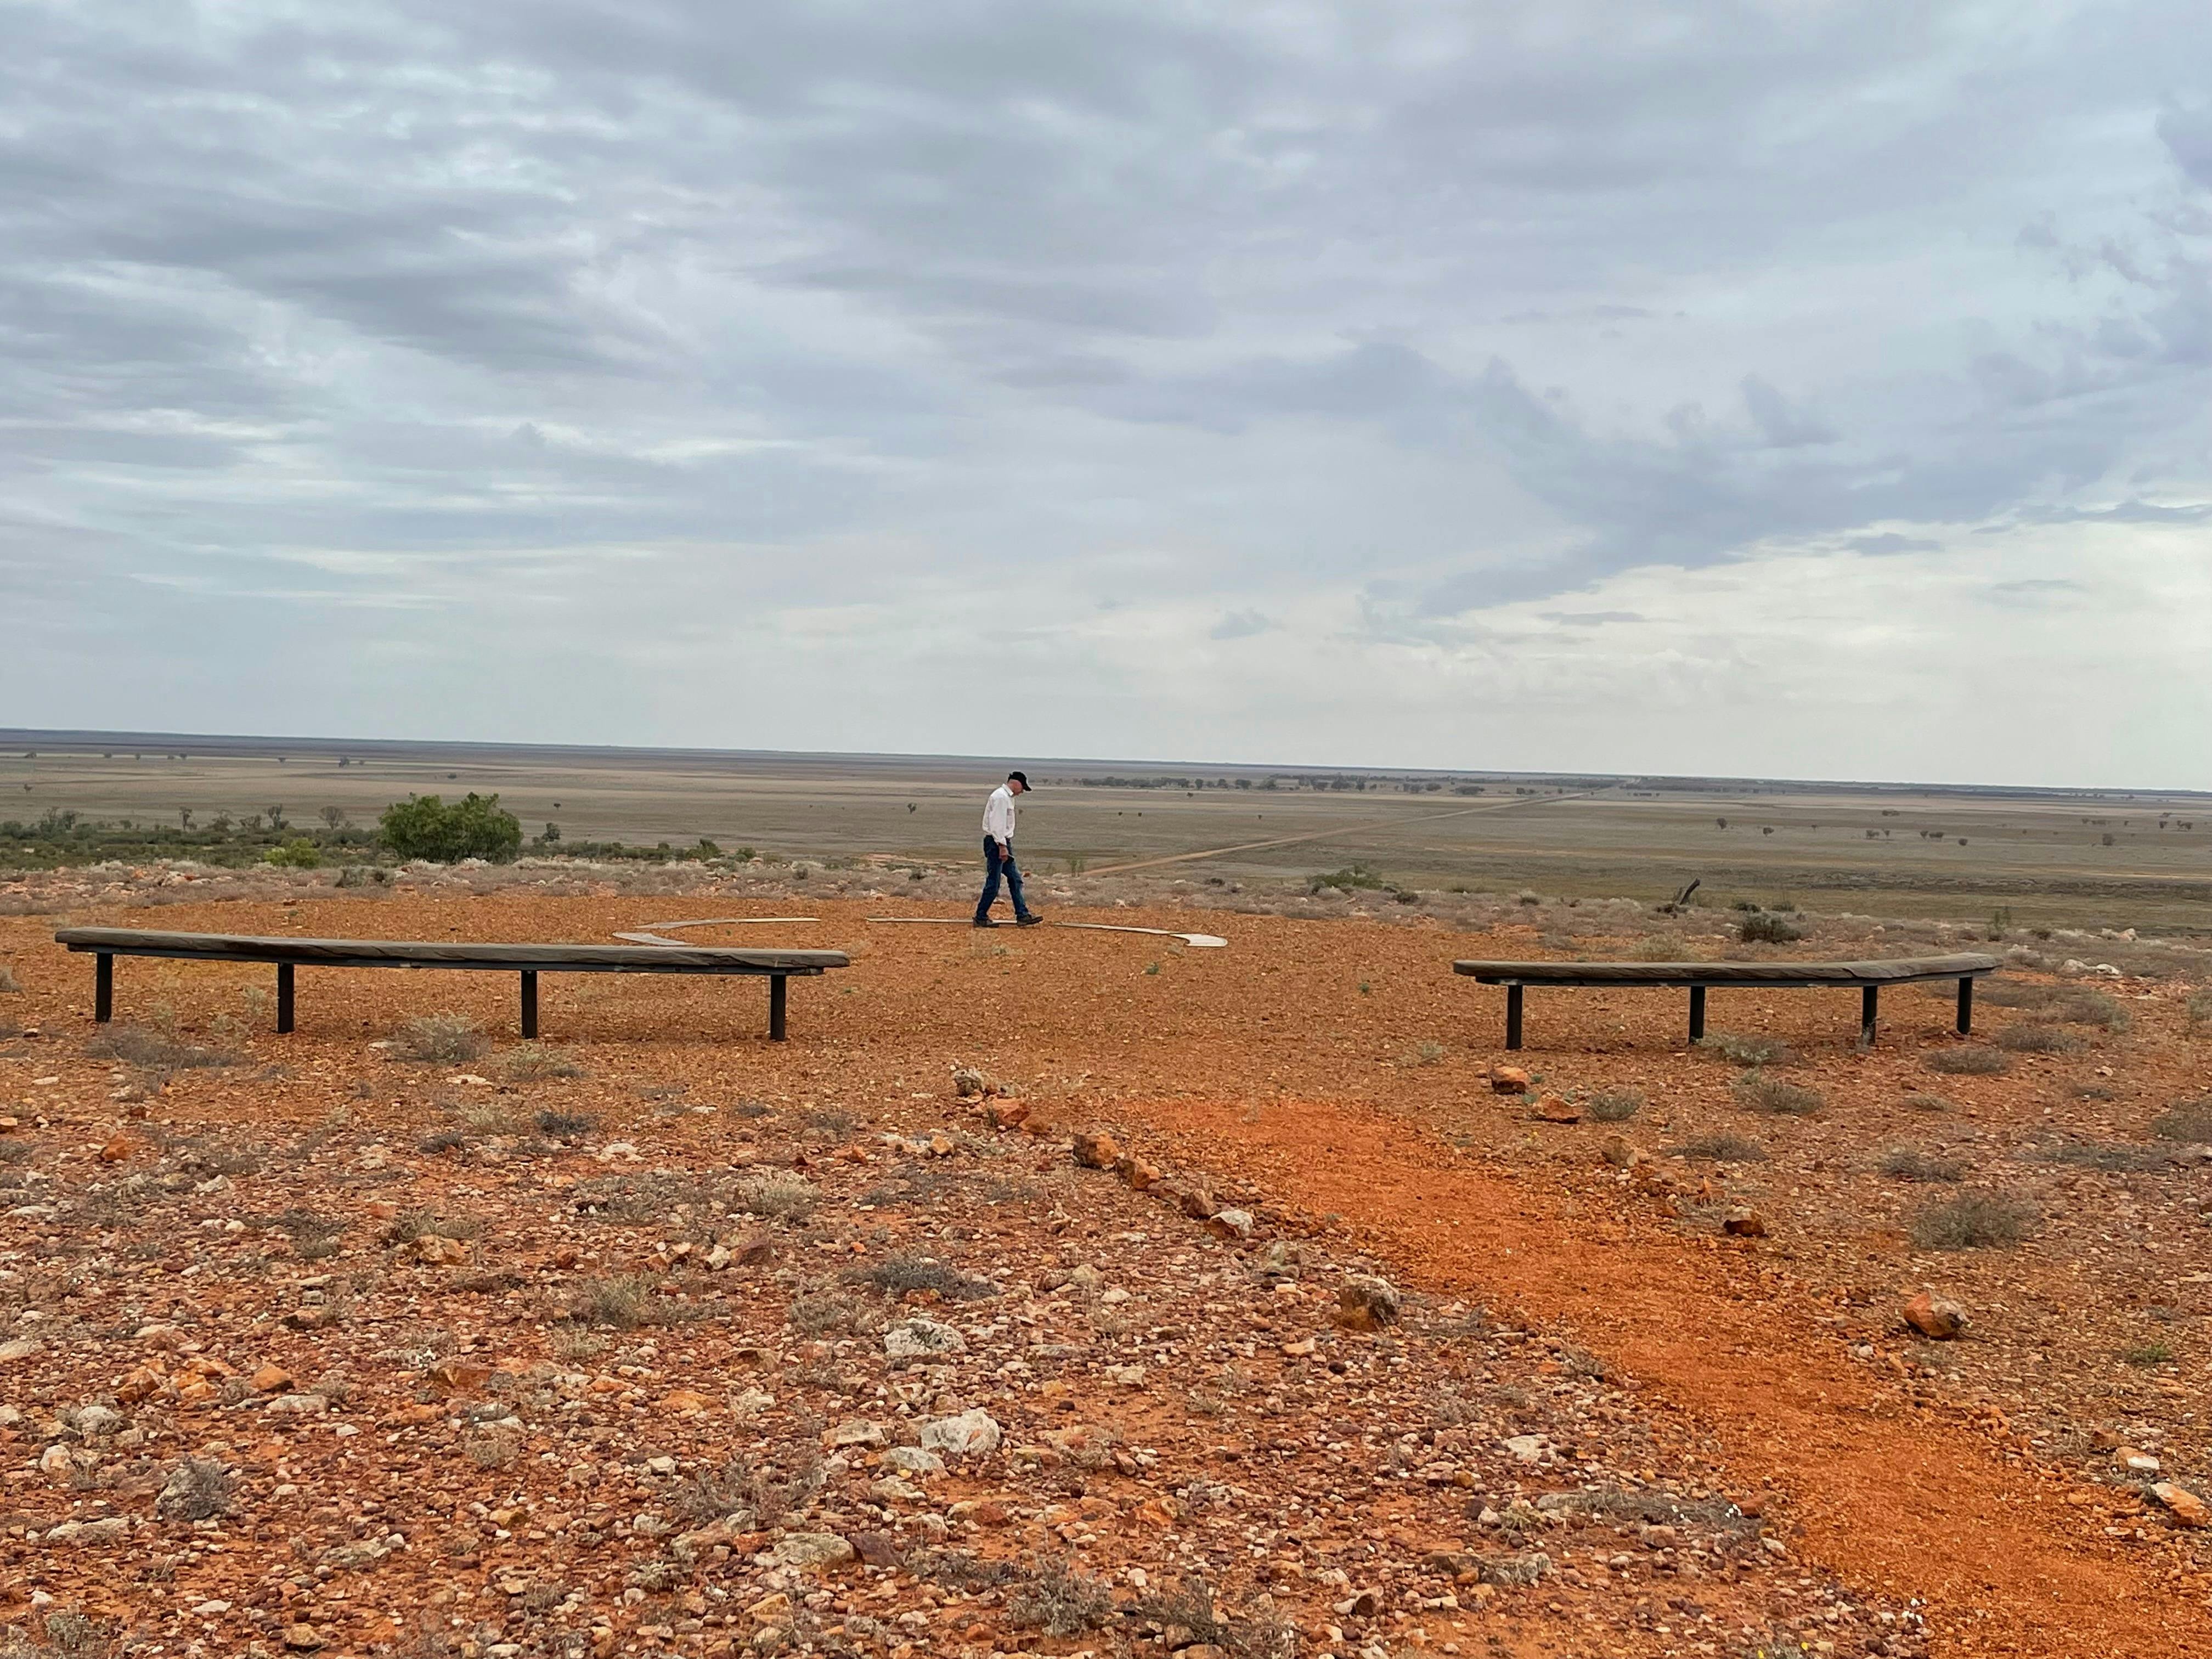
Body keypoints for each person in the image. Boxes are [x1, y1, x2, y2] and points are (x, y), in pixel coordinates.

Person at [974, 771, 1042, 928]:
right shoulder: (1001, 797)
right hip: (997, 843)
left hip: (1001, 842)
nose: (1022, 791)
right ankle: (980, 916)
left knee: (1015, 879)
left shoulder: (1006, 798)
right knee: (994, 882)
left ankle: (1022, 915)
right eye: (1023, 787)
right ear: (1016, 783)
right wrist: (1002, 847)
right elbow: (997, 824)